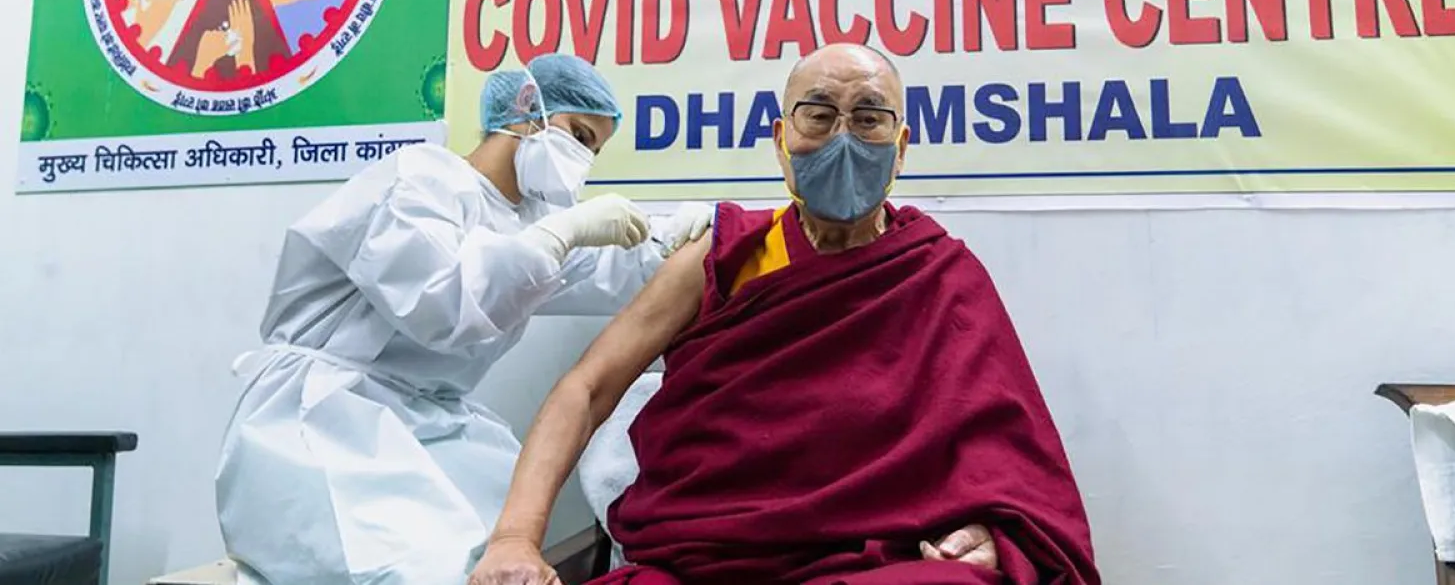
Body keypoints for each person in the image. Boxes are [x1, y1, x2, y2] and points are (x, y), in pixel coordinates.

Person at [468, 43, 1100, 585]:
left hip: (867, 565)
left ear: (901, 146)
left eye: (870, 118)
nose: (843, 138)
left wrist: (995, 536)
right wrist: (515, 538)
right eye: (819, 115)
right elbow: (587, 387)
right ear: (781, 139)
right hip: (705, 564)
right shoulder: (721, 256)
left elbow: (1011, 460)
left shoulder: (936, 273)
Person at [215, 53, 715, 585]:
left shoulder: (529, 221)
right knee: (417, 569)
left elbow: (615, 264)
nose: (585, 157)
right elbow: (441, 305)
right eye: (580, 134)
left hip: (425, 426)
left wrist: (688, 235)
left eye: (595, 147)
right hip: (320, 421)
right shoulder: (417, 180)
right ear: (527, 109)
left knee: (502, 553)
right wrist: (561, 233)